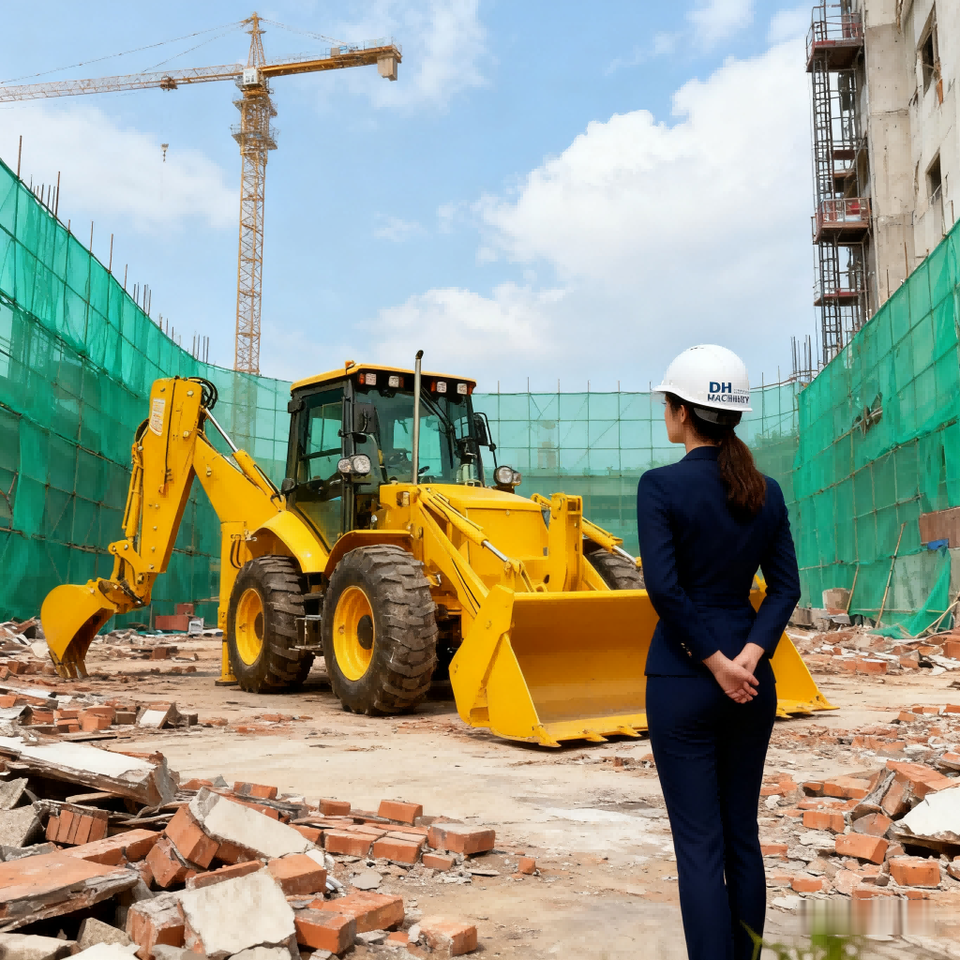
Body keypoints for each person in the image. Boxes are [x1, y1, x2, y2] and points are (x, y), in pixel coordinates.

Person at [637, 344, 801, 960]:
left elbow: (665, 590)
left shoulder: (660, 487)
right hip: (752, 685)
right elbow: (785, 588)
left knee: (700, 847)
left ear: (682, 411)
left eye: (667, 404)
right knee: (741, 837)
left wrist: (714, 663)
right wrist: (749, 657)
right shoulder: (765, 491)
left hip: (683, 680)